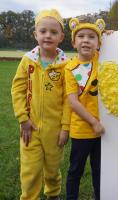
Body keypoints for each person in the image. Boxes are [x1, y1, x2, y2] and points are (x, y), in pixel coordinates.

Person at [11, 9, 70, 200]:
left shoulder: (66, 65)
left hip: (55, 131)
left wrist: (65, 127)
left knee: (52, 169)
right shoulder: (27, 61)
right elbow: (17, 90)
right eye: (43, 31)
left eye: (54, 32)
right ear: (35, 34)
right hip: (31, 128)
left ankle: (53, 194)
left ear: (61, 37)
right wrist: (23, 119)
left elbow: (70, 98)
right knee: (30, 171)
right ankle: (29, 196)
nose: (48, 36)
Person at [64, 16, 106, 200]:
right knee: (76, 169)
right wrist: (93, 122)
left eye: (91, 36)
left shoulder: (103, 58)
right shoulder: (70, 68)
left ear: (98, 43)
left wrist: (112, 38)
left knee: (100, 171)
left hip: (104, 130)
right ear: (74, 42)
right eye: (81, 36)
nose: (86, 40)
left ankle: (100, 196)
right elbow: (73, 102)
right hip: (82, 130)